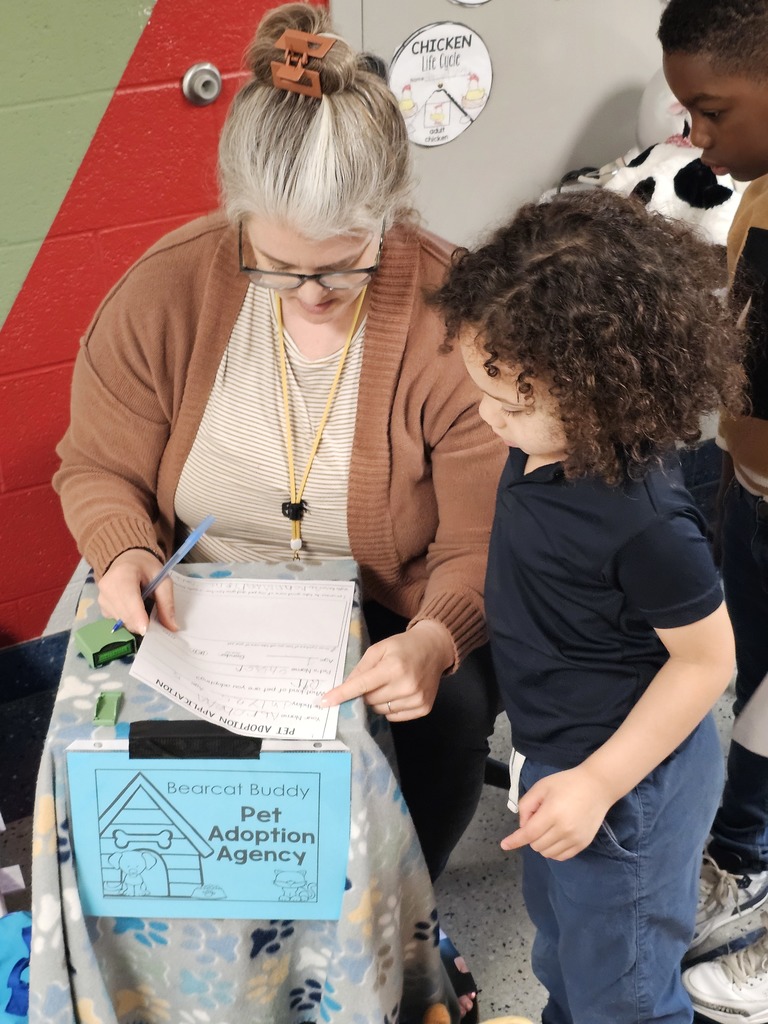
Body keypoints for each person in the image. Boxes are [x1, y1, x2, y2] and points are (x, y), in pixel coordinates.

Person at [53, 3, 505, 1011]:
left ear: (392, 214)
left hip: (388, 601)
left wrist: (435, 639)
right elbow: (94, 467)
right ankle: (189, 965)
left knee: (451, 715)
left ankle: (394, 929)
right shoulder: (164, 291)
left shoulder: (452, 313)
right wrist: (124, 550)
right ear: (234, 214)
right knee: (123, 750)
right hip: (194, 598)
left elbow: (484, 542)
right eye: (278, 265)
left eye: (343, 265)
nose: (308, 293)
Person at [430, 187, 745, 1024]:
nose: (491, 419)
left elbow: (710, 660)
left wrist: (600, 784)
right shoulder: (545, 444)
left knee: (627, 990)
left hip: (627, 793)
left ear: (605, 390)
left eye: (514, 402)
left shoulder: (643, 520)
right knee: (565, 947)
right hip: (559, 764)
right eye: (484, 391)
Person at [658, 0, 768, 1015]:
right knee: (752, 691)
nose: (696, 139)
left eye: (711, 112)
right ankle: (741, 857)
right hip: (750, 487)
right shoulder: (756, 192)